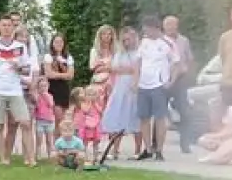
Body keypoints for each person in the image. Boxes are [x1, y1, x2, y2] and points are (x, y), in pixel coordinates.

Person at [0, 13, 35, 167]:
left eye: (9, 25)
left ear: (13, 27)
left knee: (25, 123)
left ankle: (31, 159)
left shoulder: (20, 47)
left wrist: (19, 67)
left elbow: (27, 71)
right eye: (3, 25)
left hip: (15, 91)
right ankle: (3, 159)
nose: (6, 28)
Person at [135, 16, 176, 161]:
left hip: (159, 85)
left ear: (156, 28)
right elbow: (138, 62)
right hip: (143, 85)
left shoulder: (167, 43)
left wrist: (171, 80)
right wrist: (136, 81)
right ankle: (148, 148)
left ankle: (159, 150)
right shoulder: (144, 42)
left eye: (148, 29)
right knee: (144, 117)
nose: (145, 32)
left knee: (160, 118)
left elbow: (176, 63)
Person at [99, 27, 141, 159]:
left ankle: (138, 150)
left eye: (129, 39)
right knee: (115, 115)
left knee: (135, 118)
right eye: (124, 40)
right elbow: (114, 68)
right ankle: (115, 150)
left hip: (134, 87)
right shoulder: (120, 54)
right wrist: (127, 69)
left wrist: (128, 70)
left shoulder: (139, 53)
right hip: (120, 86)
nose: (127, 42)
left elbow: (137, 69)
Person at [163, 15, 195, 153]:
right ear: (164, 27)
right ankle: (155, 144)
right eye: (168, 25)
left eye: (173, 24)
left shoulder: (184, 41)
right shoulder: (160, 41)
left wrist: (187, 71)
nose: (171, 27)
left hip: (180, 80)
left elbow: (189, 59)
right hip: (164, 79)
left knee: (185, 111)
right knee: (159, 112)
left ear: (177, 25)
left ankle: (185, 144)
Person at [196, 98, 232, 165]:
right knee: (202, 140)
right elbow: (218, 129)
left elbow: (229, 132)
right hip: (224, 140)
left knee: (216, 160)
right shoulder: (220, 114)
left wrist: (212, 136)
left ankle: (231, 155)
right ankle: (228, 155)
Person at [44, 33, 75, 118]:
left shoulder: (68, 57)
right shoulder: (48, 56)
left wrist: (56, 74)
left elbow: (71, 75)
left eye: (61, 42)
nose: (59, 44)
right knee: (57, 117)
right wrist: (65, 75)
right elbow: (49, 74)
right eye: (56, 42)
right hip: (52, 88)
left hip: (64, 89)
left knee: (64, 119)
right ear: (52, 43)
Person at [75, 84, 104, 161]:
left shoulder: (98, 104)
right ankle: (85, 157)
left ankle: (95, 157)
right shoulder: (83, 103)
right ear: (85, 95)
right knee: (85, 142)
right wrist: (90, 103)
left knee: (96, 142)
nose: (91, 96)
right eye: (89, 94)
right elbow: (86, 110)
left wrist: (95, 104)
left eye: (93, 94)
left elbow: (101, 112)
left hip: (96, 125)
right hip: (86, 125)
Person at [31, 77, 57, 162]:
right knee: (39, 139)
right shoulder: (37, 96)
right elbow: (36, 105)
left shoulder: (50, 96)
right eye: (41, 86)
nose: (43, 88)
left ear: (48, 86)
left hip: (49, 121)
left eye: (45, 86)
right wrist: (37, 95)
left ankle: (50, 155)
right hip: (40, 121)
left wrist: (45, 95)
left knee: (49, 140)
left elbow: (51, 104)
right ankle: (38, 154)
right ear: (38, 88)